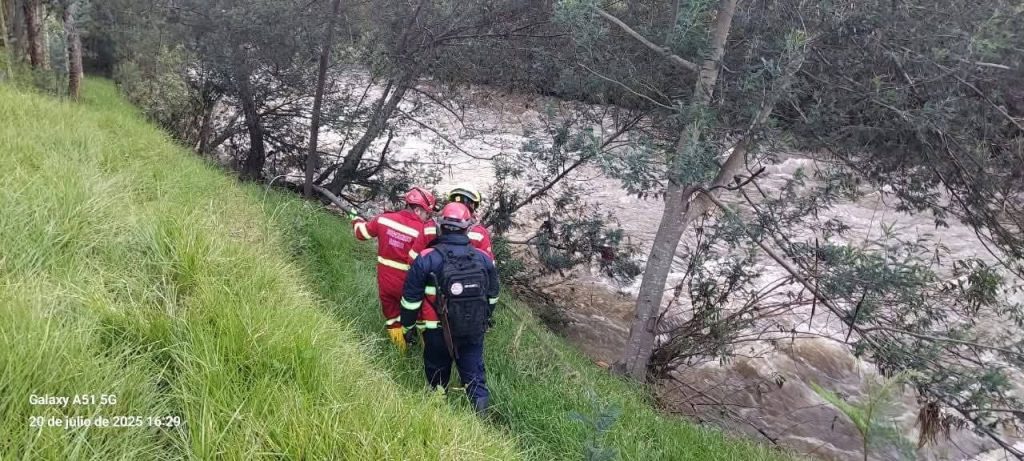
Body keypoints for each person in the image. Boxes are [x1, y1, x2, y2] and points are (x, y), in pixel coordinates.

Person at [399, 202, 500, 414]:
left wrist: (407, 328)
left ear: (440, 226)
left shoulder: (427, 258)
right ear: (467, 228)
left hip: (437, 330)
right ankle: (482, 421)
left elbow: (410, 301)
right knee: (475, 378)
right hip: (473, 329)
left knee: (437, 373)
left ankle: (437, 414)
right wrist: (485, 319)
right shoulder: (483, 260)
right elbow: (492, 296)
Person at [351, 187, 436, 352]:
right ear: (418, 210)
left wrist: (355, 219)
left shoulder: (383, 219)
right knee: (421, 318)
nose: (428, 217)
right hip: (410, 284)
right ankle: (428, 354)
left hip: (385, 282)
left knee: (392, 317)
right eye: (427, 213)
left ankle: (401, 353)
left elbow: (361, 234)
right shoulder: (423, 231)